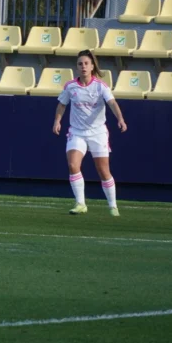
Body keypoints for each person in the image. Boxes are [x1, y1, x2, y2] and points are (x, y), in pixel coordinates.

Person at [52, 50, 128, 217]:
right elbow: (62, 104)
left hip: (98, 133)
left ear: (92, 66)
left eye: (86, 63)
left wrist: (120, 119)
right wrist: (57, 121)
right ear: (77, 67)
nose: (83, 67)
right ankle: (80, 203)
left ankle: (113, 206)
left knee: (103, 170)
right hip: (77, 132)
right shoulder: (70, 86)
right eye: (80, 64)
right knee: (73, 165)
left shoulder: (101, 86)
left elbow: (112, 103)